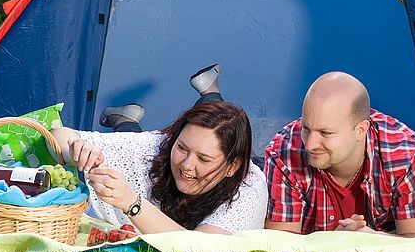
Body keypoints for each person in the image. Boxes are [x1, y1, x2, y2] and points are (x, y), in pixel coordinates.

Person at [50, 66, 267, 235]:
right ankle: (125, 119)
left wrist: (132, 203)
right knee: (136, 141)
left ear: (233, 166)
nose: (187, 165)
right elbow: (58, 137)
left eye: (204, 158)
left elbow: (201, 249)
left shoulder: (249, 188)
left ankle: (125, 118)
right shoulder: (158, 145)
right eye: (182, 148)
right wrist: (76, 149)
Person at [264, 71, 415, 237]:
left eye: (326, 133)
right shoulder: (283, 153)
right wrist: (334, 241)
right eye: (306, 128)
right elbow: (279, 247)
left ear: (361, 130)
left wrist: (373, 239)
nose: (310, 144)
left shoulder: (406, 155)